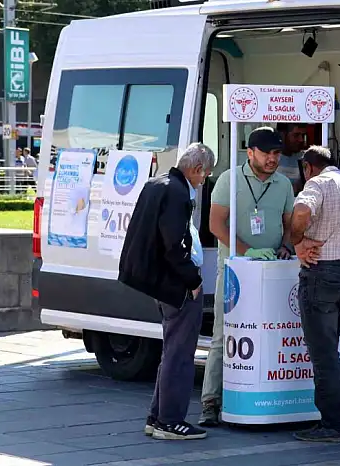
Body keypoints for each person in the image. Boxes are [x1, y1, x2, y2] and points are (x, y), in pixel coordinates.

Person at [198, 126, 296, 426]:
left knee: (272, 333)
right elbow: (215, 224)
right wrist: (247, 251)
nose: (272, 159)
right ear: (250, 152)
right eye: (267, 153)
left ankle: (267, 398)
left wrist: (284, 247)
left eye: (277, 153)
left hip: (273, 272)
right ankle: (210, 403)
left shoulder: (284, 184)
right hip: (236, 271)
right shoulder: (230, 179)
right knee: (223, 335)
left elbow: (289, 224)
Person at [118, 143, 215, 440]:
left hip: (160, 280)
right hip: (177, 284)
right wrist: (193, 280)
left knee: (172, 350)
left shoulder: (159, 182)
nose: (204, 180)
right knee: (180, 354)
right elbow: (174, 244)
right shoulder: (177, 192)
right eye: (205, 175)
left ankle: (158, 416)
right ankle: (170, 420)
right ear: (197, 169)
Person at [290, 146, 340, 443]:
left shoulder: (318, 183)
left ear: (308, 167)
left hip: (323, 274)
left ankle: (333, 424)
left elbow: (301, 211)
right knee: (332, 352)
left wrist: (297, 240)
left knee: (323, 355)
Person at [276, 123, 308, 195]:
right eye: (296, 135)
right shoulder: (270, 158)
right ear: (282, 135)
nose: (301, 140)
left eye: (303, 135)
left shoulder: (307, 158)